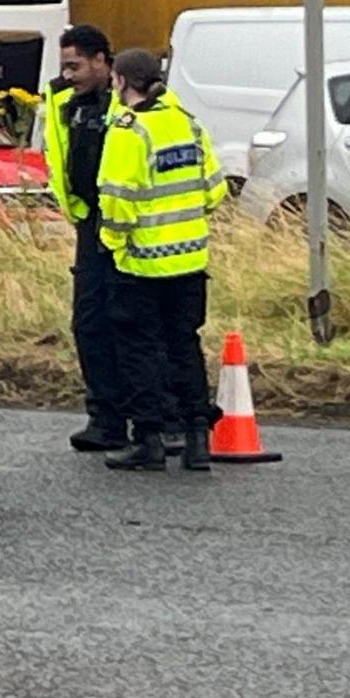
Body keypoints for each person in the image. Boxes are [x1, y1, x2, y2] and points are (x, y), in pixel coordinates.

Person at [96, 48, 229, 472]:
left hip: (140, 263)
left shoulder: (128, 131)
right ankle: (197, 440)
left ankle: (149, 440)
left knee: (139, 351)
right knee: (184, 347)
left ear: (121, 82)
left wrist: (112, 244)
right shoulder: (188, 124)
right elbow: (215, 190)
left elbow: (118, 201)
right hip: (189, 261)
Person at [43, 24, 126, 452]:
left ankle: (159, 420)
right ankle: (106, 418)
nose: (68, 74)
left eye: (75, 65)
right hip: (89, 224)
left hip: (130, 228)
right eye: (64, 66)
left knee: (135, 325)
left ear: (101, 60)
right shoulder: (64, 103)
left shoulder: (130, 103)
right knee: (90, 324)